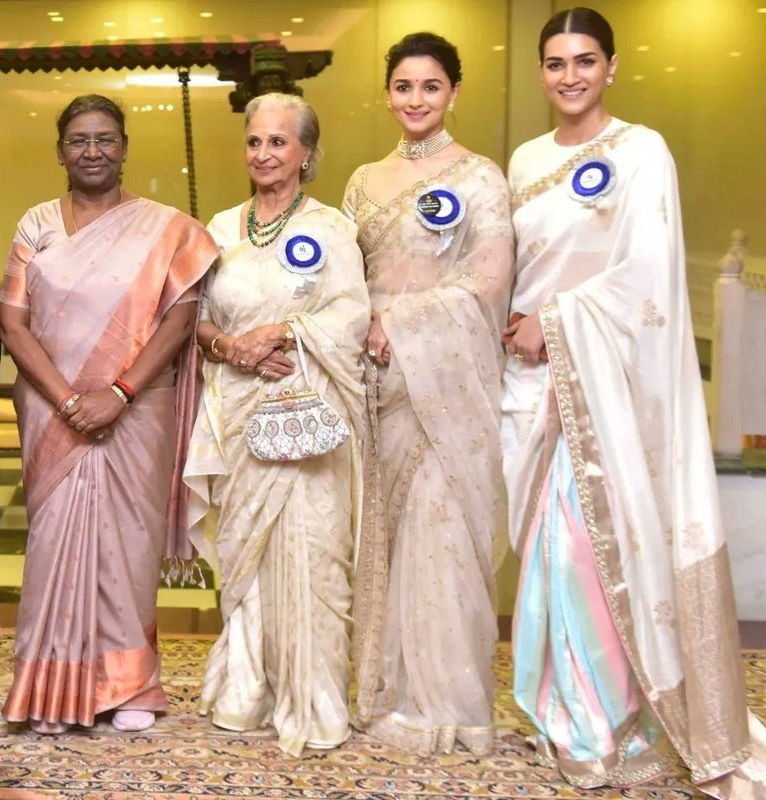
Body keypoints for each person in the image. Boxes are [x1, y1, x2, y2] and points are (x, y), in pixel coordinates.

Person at [502, 8, 766, 796]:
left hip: (610, 389)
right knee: (548, 561)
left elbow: (648, 277)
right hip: (534, 389)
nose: (570, 75)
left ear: (612, 67)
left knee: (587, 553)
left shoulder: (642, 151)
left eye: (585, 60)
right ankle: (565, 713)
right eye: (555, 62)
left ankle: (614, 721)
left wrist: (554, 323)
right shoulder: (522, 161)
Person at [0, 94, 218, 735]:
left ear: (124, 146)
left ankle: (130, 685)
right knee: (50, 547)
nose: (92, 151)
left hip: (136, 408)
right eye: (78, 140)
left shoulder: (167, 228)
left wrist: (117, 394)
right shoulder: (36, 223)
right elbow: (12, 323)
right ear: (60, 150)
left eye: (104, 139)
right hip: (51, 409)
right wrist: (69, 401)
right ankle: (53, 688)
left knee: (130, 543)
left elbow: (181, 319)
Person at [341, 33, 514, 756]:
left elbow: (488, 280)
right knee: (381, 531)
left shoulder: (481, 177)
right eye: (405, 86)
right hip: (374, 382)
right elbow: (343, 279)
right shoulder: (361, 180)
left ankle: (448, 703)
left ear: (454, 93)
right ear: (388, 94)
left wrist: (401, 323)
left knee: (439, 530)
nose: (416, 100)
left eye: (431, 87)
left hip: (446, 383)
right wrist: (364, 325)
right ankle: (384, 691)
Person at [184, 92, 371, 756]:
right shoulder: (222, 228)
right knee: (246, 556)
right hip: (236, 412)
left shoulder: (330, 228)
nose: (265, 153)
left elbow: (351, 314)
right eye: (255, 141)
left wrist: (285, 332)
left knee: (315, 556)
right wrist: (232, 347)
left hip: (308, 414)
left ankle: (314, 698)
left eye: (279, 142)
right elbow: (197, 319)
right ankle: (247, 686)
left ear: (307, 153)